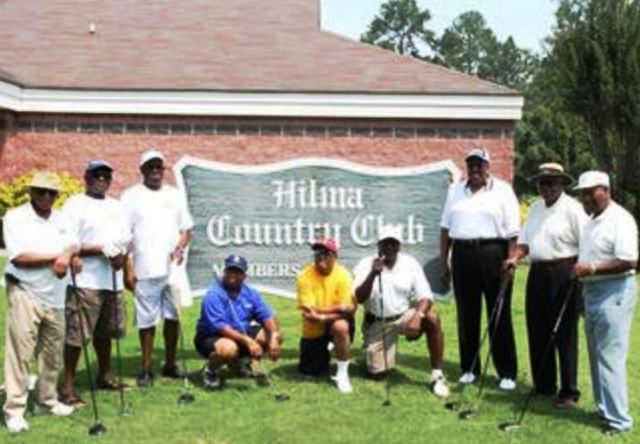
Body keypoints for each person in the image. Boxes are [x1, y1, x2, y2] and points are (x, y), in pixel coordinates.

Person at [504, 163, 587, 407]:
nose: (546, 187)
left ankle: (569, 391)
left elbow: (586, 244)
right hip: (538, 273)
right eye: (542, 182)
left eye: (551, 182)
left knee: (564, 332)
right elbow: (525, 242)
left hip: (565, 272)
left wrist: (579, 278)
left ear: (561, 183)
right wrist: (514, 258)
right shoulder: (536, 208)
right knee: (537, 329)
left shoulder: (573, 208)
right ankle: (544, 385)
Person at [2, 172, 80, 433]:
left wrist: (69, 255)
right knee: (20, 353)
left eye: (51, 193)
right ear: (30, 192)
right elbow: (18, 257)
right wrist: (57, 258)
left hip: (55, 295)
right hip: (25, 291)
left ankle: (46, 400)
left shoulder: (62, 218)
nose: (46, 197)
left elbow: (73, 243)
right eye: (41, 191)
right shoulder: (15, 217)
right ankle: (14, 410)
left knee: (51, 353)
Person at [439, 147, 520, 390]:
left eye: (479, 165)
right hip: (463, 253)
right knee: (467, 314)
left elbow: (513, 232)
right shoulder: (455, 191)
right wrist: (444, 262)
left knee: (498, 313)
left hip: (493, 253)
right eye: (471, 165)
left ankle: (506, 372)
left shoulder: (503, 190)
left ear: (488, 166)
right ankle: (469, 368)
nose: (475, 170)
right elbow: (445, 230)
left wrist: (511, 260)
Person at [59, 160, 131, 407]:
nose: (102, 180)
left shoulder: (117, 206)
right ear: (86, 177)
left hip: (111, 280)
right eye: (97, 175)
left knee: (106, 333)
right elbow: (69, 243)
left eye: (106, 176)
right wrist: (99, 250)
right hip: (84, 280)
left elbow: (125, 238)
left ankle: (105, 375)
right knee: (77, 335)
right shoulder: (75, 205)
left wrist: (120, 256)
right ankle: (66, 387)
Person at [573, 171, 638, 436]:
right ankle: (605, 408)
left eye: (590, 193)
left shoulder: (620, 219)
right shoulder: (592, 220)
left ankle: (620, 421)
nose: (585, 199)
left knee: (610, 357)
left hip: (614, 291)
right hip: (592, 291)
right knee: (596, 355)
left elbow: (628, 260)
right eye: (582, 194)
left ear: (605, 190)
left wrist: (591, 269)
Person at [121, 150, 194, 387]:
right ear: (141, 170)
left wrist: (181, 247)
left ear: (164, 170)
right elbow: (125, 236)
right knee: (146, 320)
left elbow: (186, 229)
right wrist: (127, 268)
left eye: (159, 168)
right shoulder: (130, 197)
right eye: (150, 168)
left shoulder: (174, 195)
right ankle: (145, 368)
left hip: (172, 269)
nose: (155, 172)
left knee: (173, 317)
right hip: (144, 267)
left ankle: (171, 364)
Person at [353, 225, 450, 398]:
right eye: (386, 243)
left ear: (399, 246)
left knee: (432, 318)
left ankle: (437, 374)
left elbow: (426, 296)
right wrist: (373, 275)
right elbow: (359, 298)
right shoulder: (366, 264)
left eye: (393, 243)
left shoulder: (410, 263)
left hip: (404, 315)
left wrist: (418, 316)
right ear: (378, 246)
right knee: (377, 375)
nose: (389, 247)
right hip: (378, 322)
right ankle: (372, 347)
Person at [194, 255, 283, 390]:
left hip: (240, 332)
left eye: (238, 272)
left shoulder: (250, 293)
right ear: (224, 272)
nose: (233, 275)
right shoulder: (213, 294)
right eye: (230, 271)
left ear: (244, 275)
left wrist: (274, 338)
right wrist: (249, 342)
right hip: (212, 336)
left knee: (272, 334)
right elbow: (221, 328)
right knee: (229, 349)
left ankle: (239, 362)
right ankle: (210, 370)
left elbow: (267, 316)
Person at [296, 238, 356, 394]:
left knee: (340, 326)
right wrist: (339, 308)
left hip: (335, 322)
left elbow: (348, 309)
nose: (320, 256)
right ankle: (328, 349)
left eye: (325, 253)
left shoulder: (343, 275)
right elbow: (309, 314)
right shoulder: (304, 276)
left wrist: (321, 314)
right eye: (317, 253)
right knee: (311, 371)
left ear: (334, 256)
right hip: (313, 327)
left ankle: (342, 374)